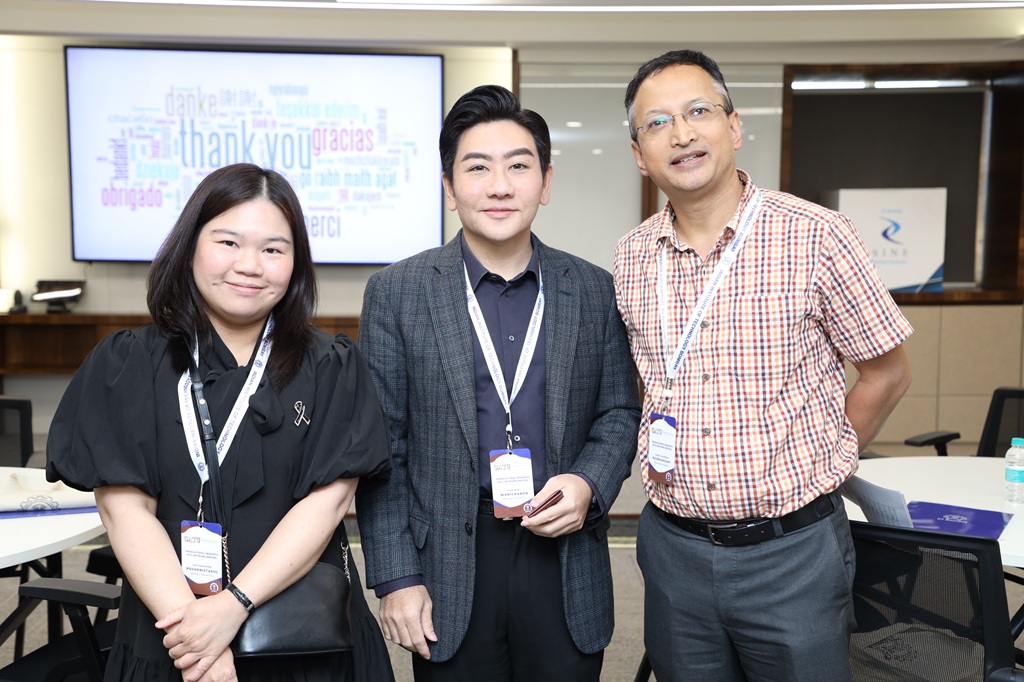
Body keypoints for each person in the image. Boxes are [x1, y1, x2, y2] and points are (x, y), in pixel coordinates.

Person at [614, 50, 914, 682]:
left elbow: (887, 372)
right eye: (658, 123)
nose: (682, 133)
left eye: (699, 111)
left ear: (734, 126)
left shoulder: (817, 235)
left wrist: (827, 458)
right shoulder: (633, 257)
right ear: (640, 154)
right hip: (672, 549)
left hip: (792, 553)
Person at [46, 163, 394, 682]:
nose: (249, 265)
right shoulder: (128, 362)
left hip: (303, 635)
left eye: (273, 249)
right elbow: (125, 511)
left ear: (296, 262)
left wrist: (232, 607)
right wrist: (198, 642)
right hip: (172, 633)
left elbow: (328, 504)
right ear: (190, 245)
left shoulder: (331, 366)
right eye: (228, 242)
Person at [355, 84, 641, 681]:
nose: (500, 186)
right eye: (478, 167)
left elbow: (617, 412)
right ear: (449, 187)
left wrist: (588, 484)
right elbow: (384, 450)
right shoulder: (398, 294)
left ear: (546, 181)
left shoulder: (593, 289)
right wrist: (397, 576)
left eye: (518, 166)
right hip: (447, 560)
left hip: (562, 546)